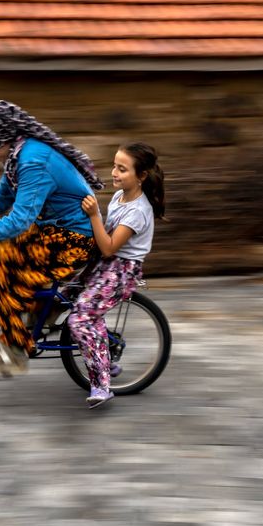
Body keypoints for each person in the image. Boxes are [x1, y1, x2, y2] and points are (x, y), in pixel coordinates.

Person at [0, 100, 104, 377]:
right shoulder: (17, 157)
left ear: (2, 138)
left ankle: (15, 349)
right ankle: (45, 307)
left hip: (76, 241)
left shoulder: (32, 162)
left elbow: (19, 221)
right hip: (55, 232)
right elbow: (0, 198)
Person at [67, 142, 165, 408]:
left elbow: (109, 247)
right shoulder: (119, 197)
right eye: (114, 166)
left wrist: (94, 215)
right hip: (104, 263)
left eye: (122, 169)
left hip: (121, 270)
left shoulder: (138, 211)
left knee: (80, 319)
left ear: (141, 176)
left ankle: (101, 384)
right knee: (63, 294)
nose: (114, 173)